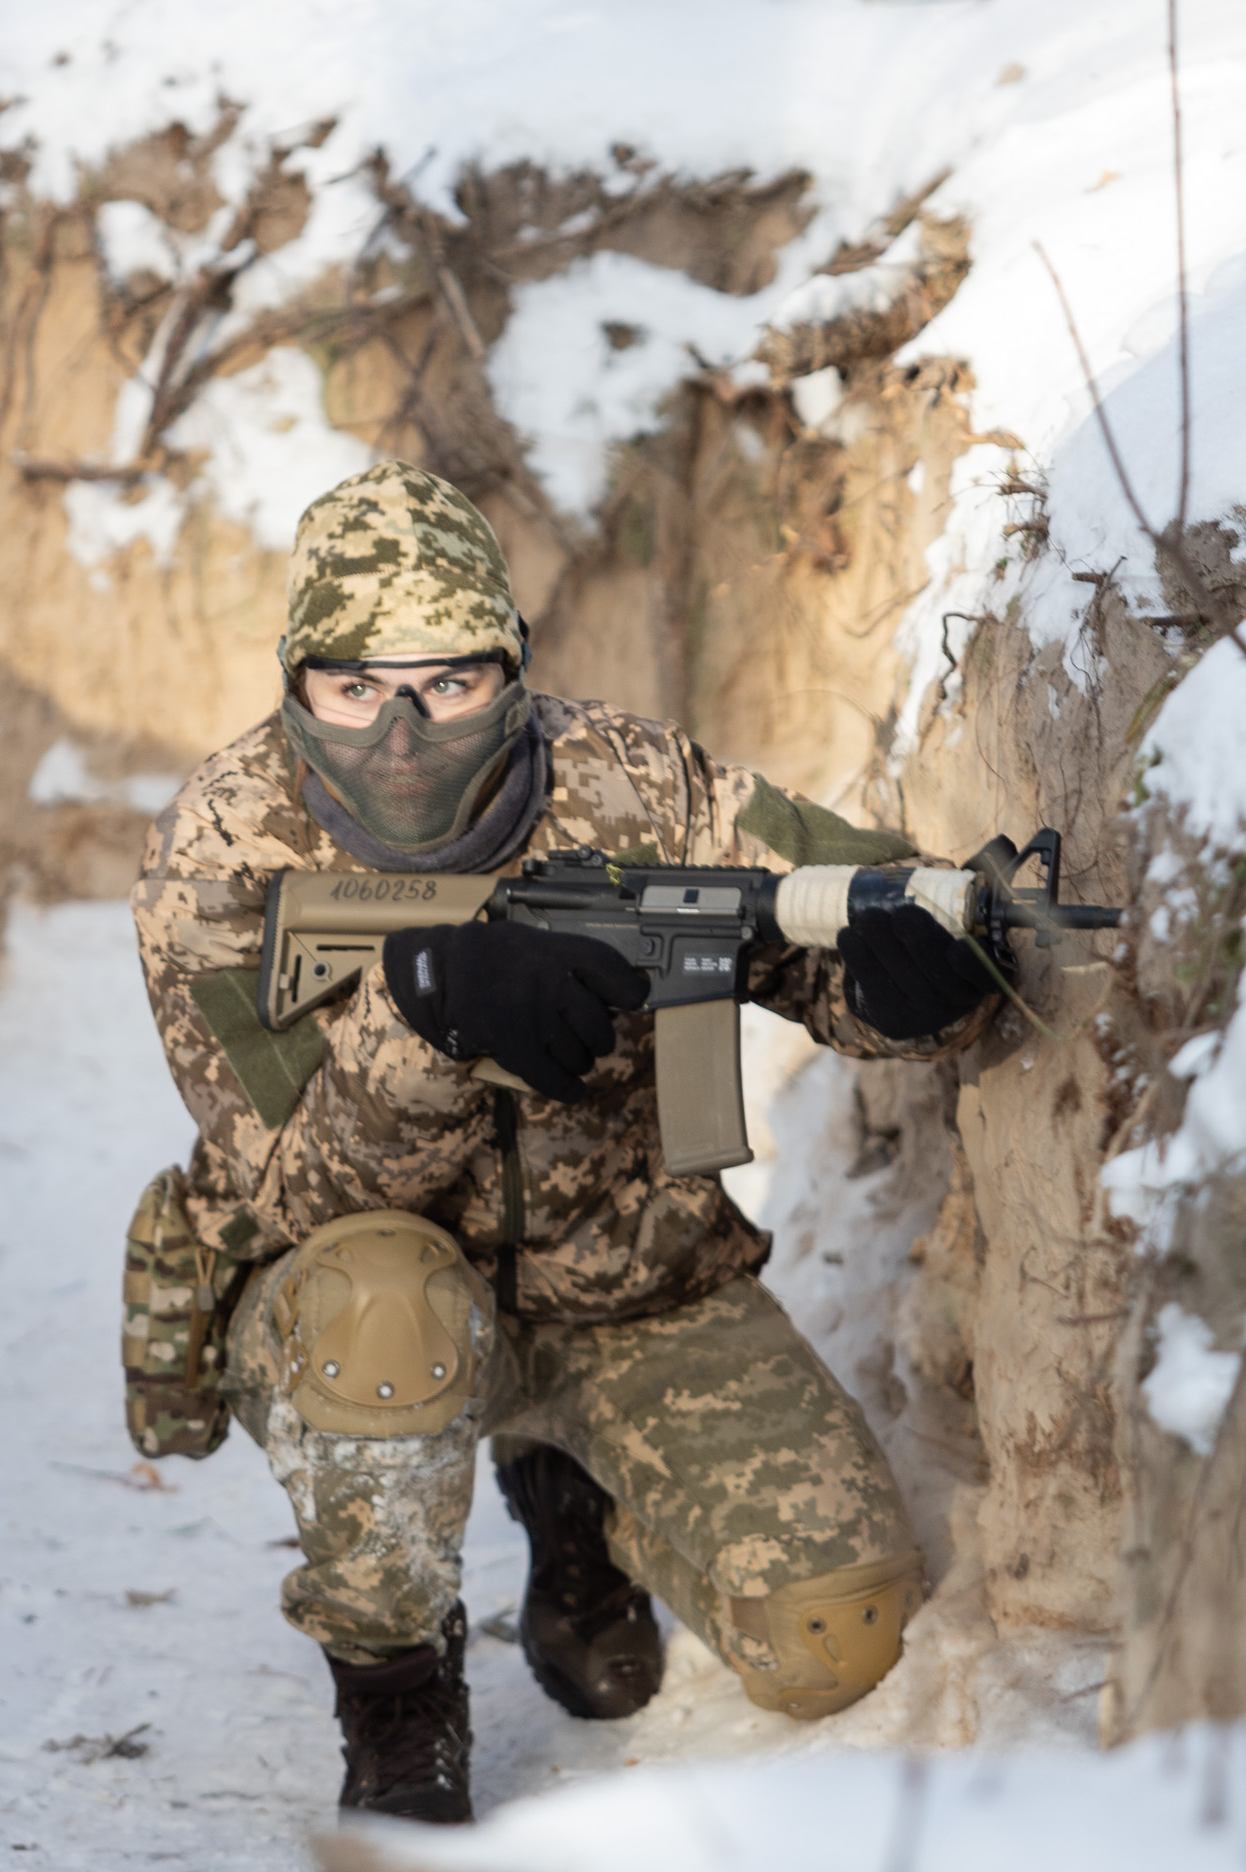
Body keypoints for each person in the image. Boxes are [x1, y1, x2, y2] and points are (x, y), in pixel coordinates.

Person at [131, 460, 1000, 1823]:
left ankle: (575, 1502)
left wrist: (902, 985)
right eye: (357, 687)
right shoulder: (224, 850)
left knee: (842, 1632)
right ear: (296, 680)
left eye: (452, 683)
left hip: (638, 1290)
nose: (404, 731)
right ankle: (400, 1701)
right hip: (375, 1302)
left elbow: (809, 907)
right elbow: (292, 1181)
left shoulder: (641, 783)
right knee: (376, 1305)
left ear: (515, 669)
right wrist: (433, 1015)